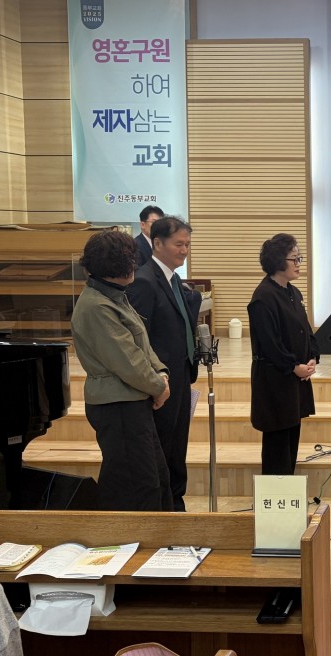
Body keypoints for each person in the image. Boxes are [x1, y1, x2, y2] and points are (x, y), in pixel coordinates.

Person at [71, 230, 172, 511]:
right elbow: (128, 361)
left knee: (157, 479)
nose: (134, 265)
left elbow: (142, 343)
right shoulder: (96, 306)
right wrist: (158, 386)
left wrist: (161, 374)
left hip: (133, 400)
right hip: (117, 406)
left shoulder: (114, 295)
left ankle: (162, 536)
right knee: (136, 487)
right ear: (114, 266)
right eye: (129, 260)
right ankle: (137, 538)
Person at [127, 216, 201, 511]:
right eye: (178, 244)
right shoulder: (145, 281)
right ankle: (165, 506)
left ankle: (176, 500)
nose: (184, 250)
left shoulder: (173, 279)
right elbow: (138, 339)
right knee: (164, 444)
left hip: (181, 374)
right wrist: (156, 380)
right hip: (162, 381)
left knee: (178, 442)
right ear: (157, 243)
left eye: (187, 244)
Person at [247, 234, 319, 475]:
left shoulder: (293, 292)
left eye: (299, 258)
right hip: (274, 380)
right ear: (278, 261)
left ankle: (288, 490)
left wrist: (312, 357)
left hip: (293, 379)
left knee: (291, 437)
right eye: (294, 259)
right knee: (277, 444)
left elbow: (305, 330)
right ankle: (276, 493)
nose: (299, 264)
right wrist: (293, 366)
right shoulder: (263, 297)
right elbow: (270, 343)